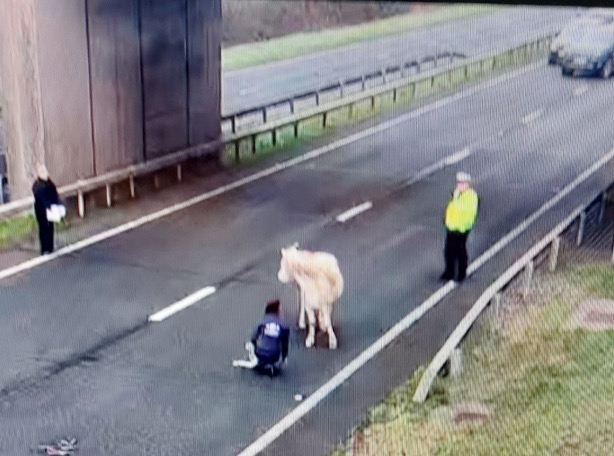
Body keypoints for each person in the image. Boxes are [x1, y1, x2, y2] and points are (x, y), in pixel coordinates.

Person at [232, 299, 290, 376]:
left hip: (260, 353)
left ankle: (255, 359)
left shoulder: (262, 322)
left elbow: (253, 337)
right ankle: (271, 364)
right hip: (274, 356)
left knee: (250, 343)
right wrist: (284, 357)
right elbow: (284, 344)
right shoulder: (284, 325)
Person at [440, 171, 480, 283]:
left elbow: (468, 212)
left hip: (462, 228)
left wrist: (464, 227)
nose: (460, 185)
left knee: (460, 251)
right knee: (448, 250)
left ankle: (461, 273)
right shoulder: (457, 193)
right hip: (452, 226)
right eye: (459, 183)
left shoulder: (471, 196)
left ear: (467, 184)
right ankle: (449, 272)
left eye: (462, 183)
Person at [32, 164, 61, 255]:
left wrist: (54, 204)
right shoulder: (38, 185)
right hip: (41, 209)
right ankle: (45, 248)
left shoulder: (48, 183)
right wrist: (50, 205)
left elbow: (54, 192)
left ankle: (50, 246)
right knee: (44, 228)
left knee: (50, 227)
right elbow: (40, 197)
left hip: (49, 208)